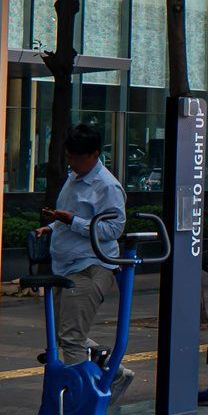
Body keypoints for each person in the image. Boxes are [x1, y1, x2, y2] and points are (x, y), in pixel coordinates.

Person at [36, 126, 134, 398]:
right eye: (69, 157)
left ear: (94, 155)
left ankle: (80, 399)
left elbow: (113, 231)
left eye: (77, 158)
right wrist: (54, 226)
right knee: (63, 334)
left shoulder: (106, 186)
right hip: (66, 266)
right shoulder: (74, 177)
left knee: (71, 338)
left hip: (90, 267)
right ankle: (112, 370)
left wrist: (72, 222)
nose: (72, 163)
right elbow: (70, 216)